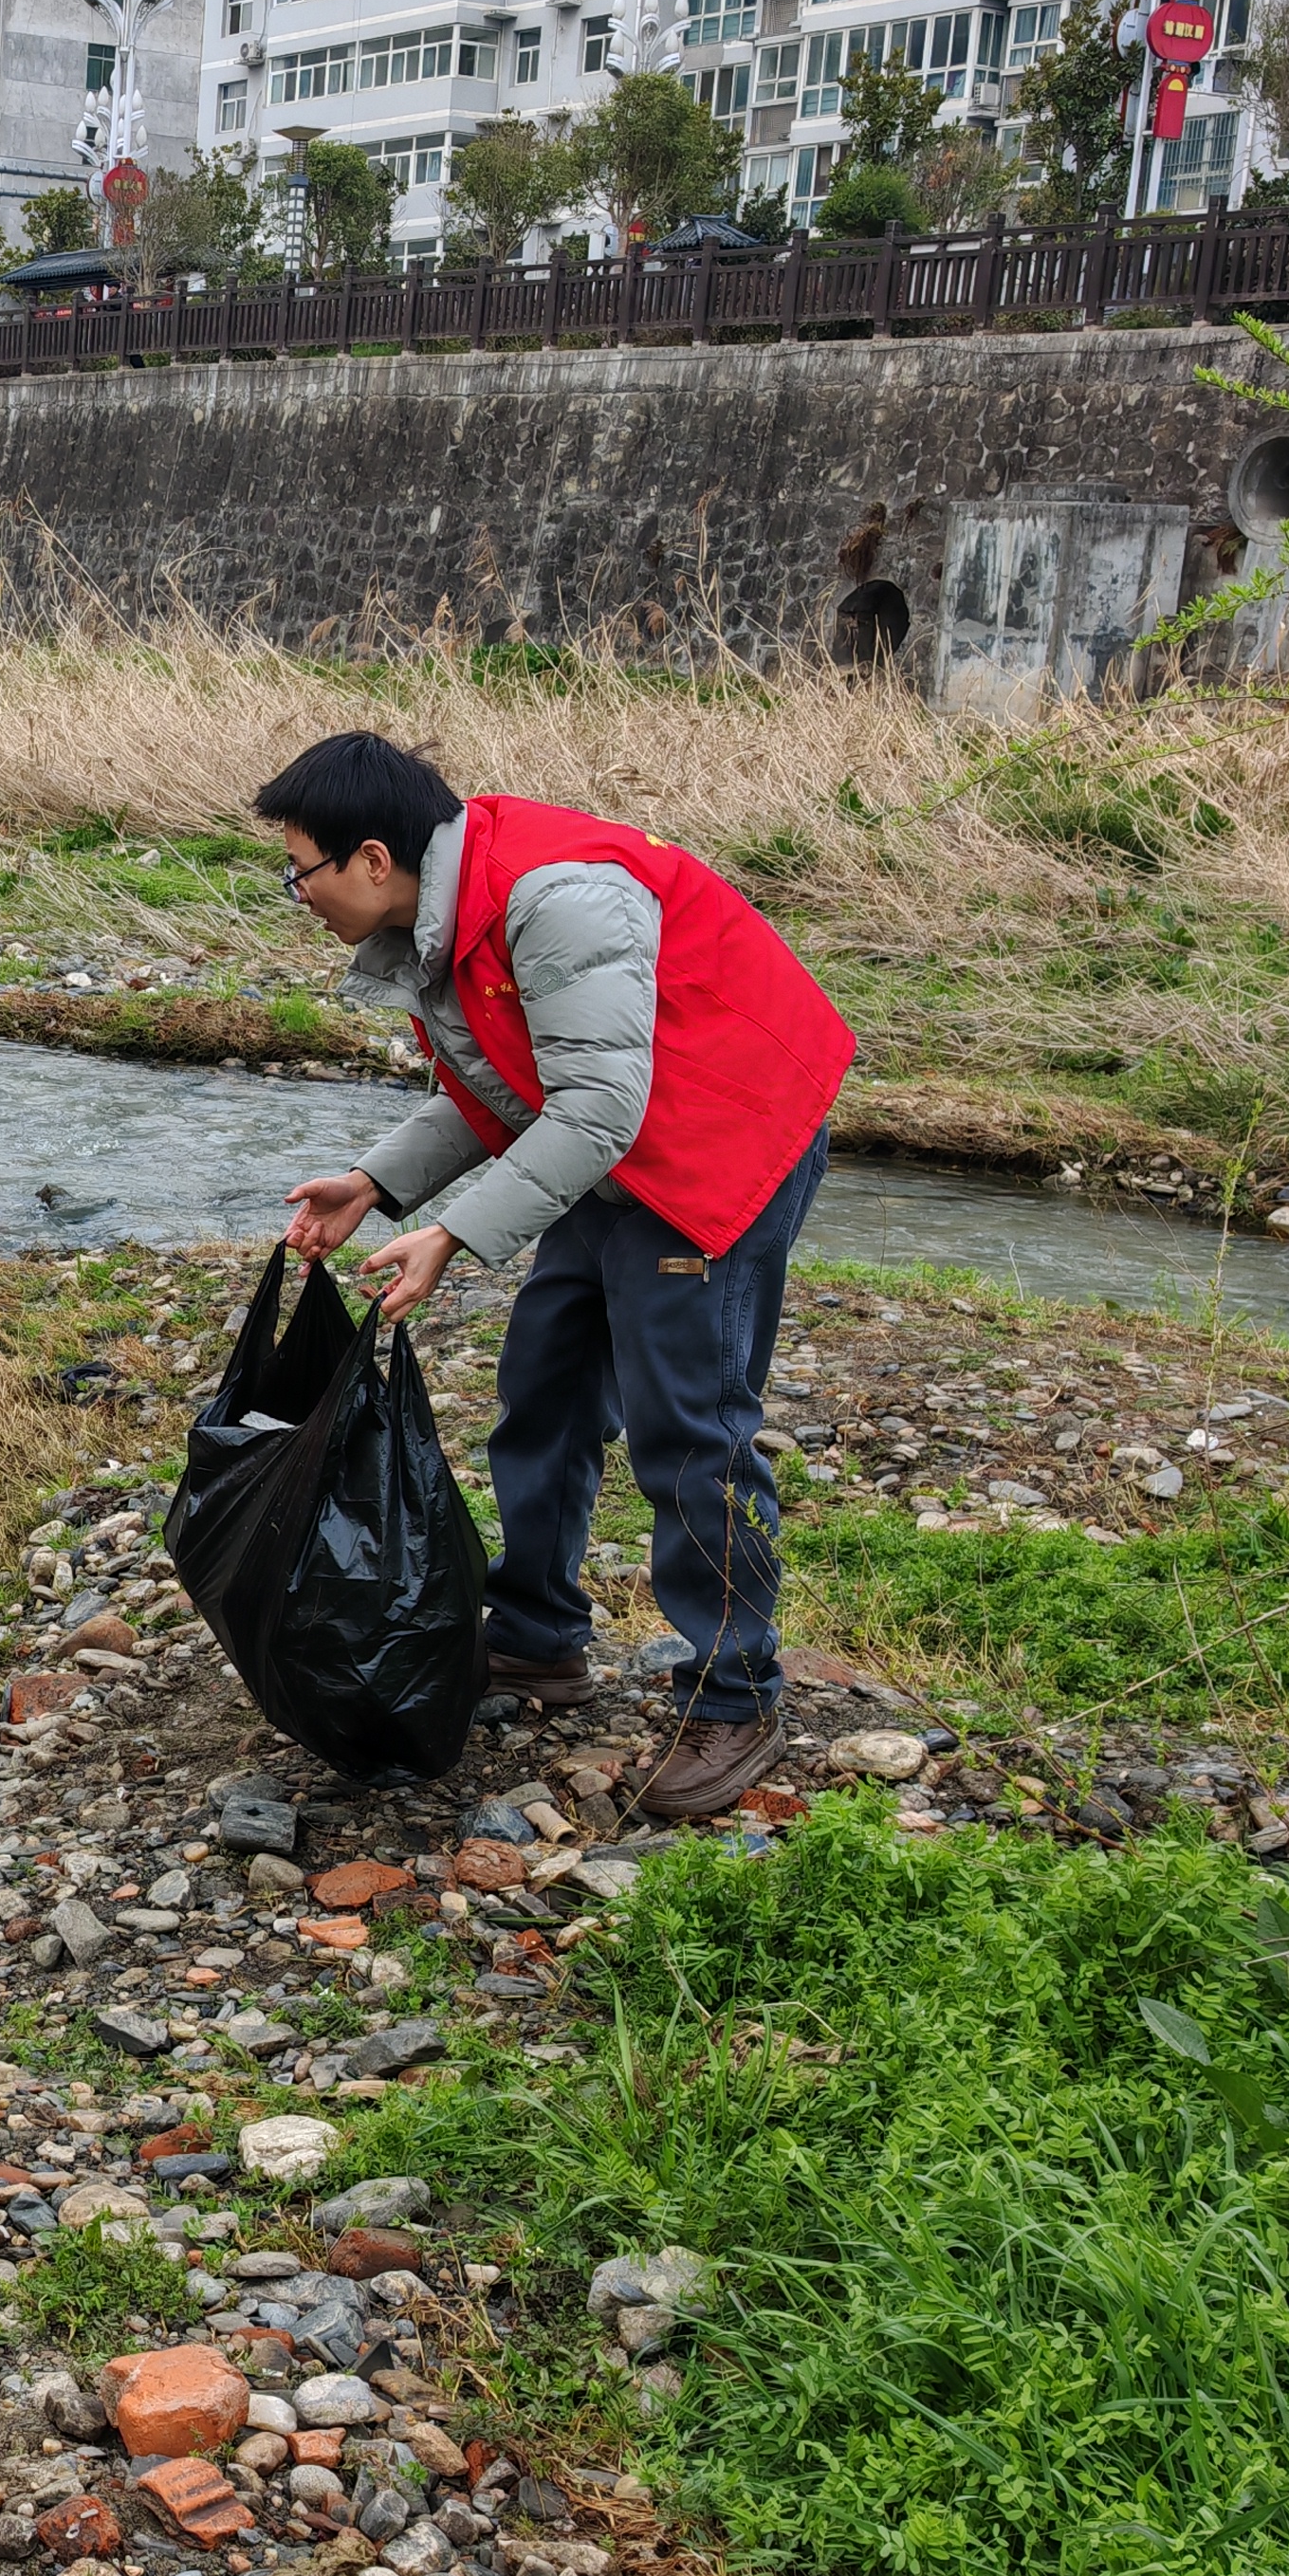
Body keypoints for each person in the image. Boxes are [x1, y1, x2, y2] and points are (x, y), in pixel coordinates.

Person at [263, 735, 853, 1819]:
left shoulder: (555, 897)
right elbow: (510, 1083)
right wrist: (376, 1186)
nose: (293, 892)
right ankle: (536, 1639)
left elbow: (592, 1108)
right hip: (615, 1148)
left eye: (298, 869)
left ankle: (736, 1696)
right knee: (545, 1387)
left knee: (691, 1429)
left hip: (719, 1141)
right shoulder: (446, 910)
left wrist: (449, 1237)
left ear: (374, 858)